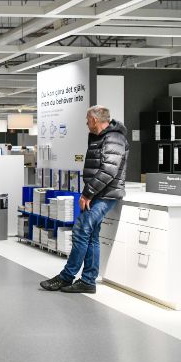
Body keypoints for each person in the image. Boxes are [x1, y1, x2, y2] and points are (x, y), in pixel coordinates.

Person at [40, 105, 129, 294]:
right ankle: (88, 280)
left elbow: (108, 171)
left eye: (88, 119)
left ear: (95, 119)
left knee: (81, 231)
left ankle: (66, 277)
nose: (86, 123)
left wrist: (87, 193)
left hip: (105, 195)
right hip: (97, 193)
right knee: (91, 236)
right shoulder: (100, 137)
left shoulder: (114, 138)